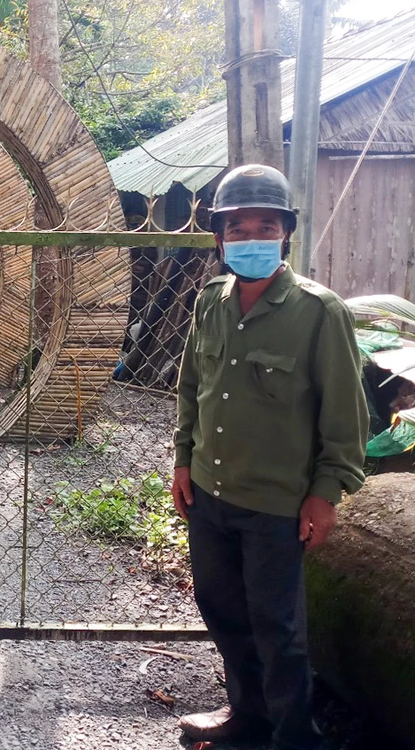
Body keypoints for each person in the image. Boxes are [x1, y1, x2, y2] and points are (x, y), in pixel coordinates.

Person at [171, 164, 369, 750]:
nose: (251, 238)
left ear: (285, 234)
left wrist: (325, 494)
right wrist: (183, 459)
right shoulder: (210, 302)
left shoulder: (319, 312)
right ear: (219, 237)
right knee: (221, 608)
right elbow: (192, 387)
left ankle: (293, 736)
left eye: (265, 227)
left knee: (277, 628)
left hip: (276, 505)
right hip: (210, 493)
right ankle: (248, 717)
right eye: (237, 228)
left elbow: (345, 417)